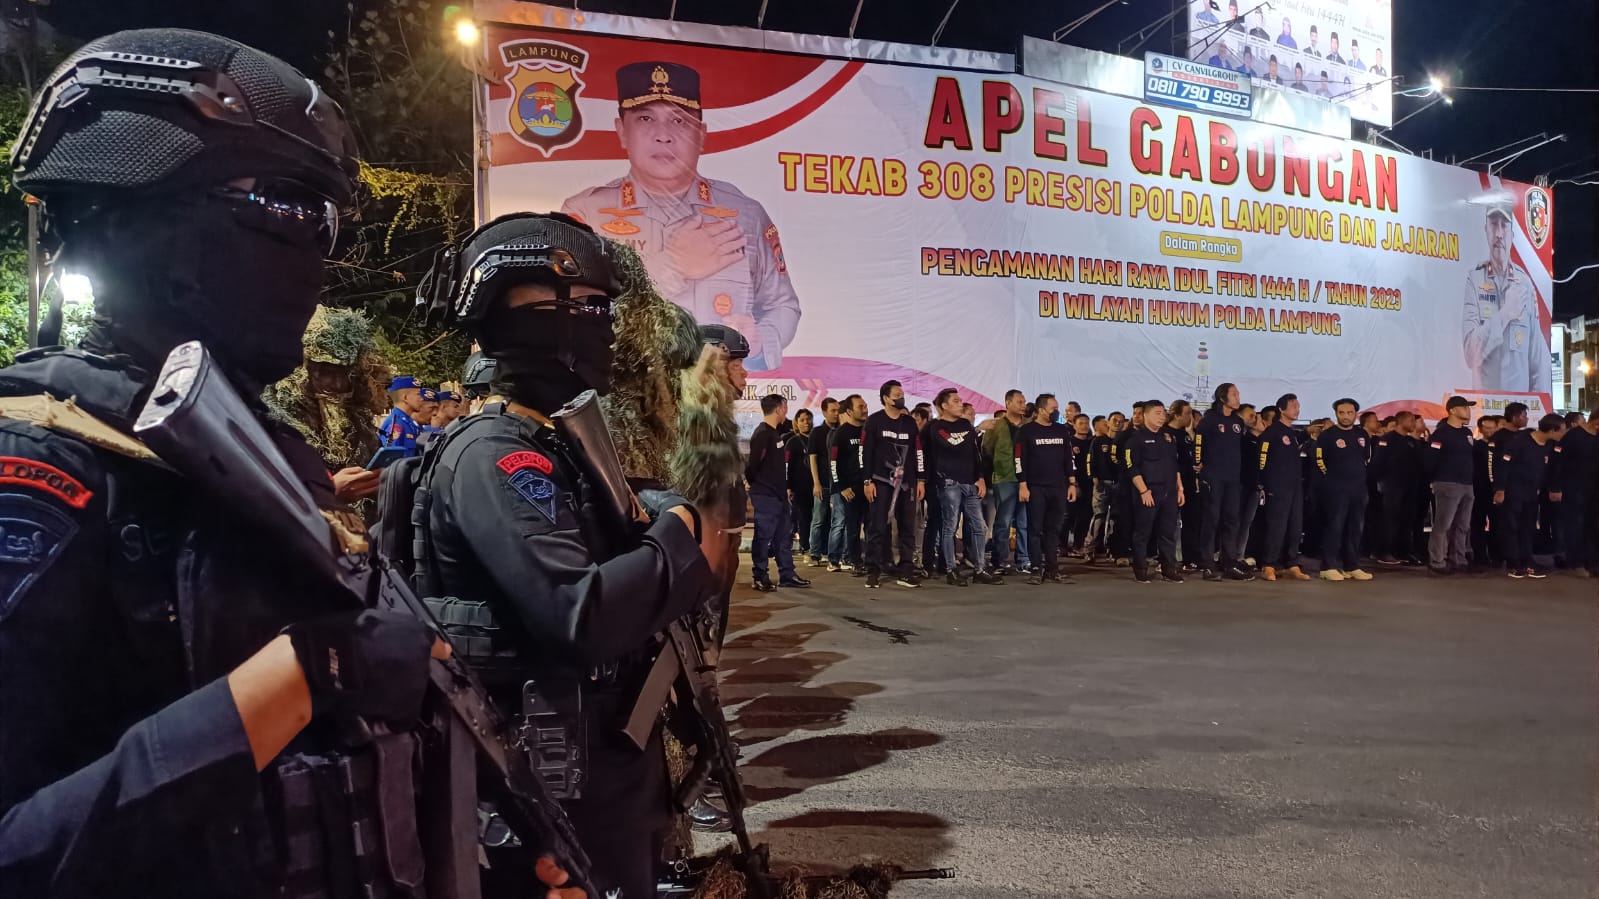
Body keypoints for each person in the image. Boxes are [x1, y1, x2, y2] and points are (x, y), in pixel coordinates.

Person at [0, 29, 517, 899]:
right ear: (136, 210)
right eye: (281, 203)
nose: (315, 248)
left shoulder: (255, 453)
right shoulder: (41, 460)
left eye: (326, 219)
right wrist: (312, 672)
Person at [414, 211, 715, 899]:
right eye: (587, 306)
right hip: (546, 782)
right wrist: (680, 530)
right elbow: (583, 614)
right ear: (516, 308)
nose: (602, 324)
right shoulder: (496, 453)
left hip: (587, 764)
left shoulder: (549, 442)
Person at [561, 62, 801, 371]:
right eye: (646, 118)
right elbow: (569, 314)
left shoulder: (747, 214)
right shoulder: (585, 214)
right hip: (626, 397)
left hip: (711, 401)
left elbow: (783, 305)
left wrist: (760, 339)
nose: (663, 136)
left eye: (679, 120)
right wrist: (671, 267)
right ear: (621, 130)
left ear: (701, 134)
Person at [1463, 204, 1549, 394]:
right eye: (1494, 224)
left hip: (1519, 411)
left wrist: (1538, 414)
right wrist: (1505, 314)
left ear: (1512, 234)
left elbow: (1538, 362)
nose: (1499, 233)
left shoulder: (1525, 284)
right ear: (1486, 229)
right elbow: (1470, 354)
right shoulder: (1474, 280)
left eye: (1504, 225)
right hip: (1486, 411)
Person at [927, 388, 1002, 586]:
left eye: (960, 400)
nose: (961, 403)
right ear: (944, 406)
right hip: (949, 483)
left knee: (979, 526)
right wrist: (976, 429)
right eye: (956, 401)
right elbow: (952, 444)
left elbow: (974, 453)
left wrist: (980, 477)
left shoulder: (965, 425)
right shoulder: (935, 427)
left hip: (970, 483)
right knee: (950, 526)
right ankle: (951, 569)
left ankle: (980, 568)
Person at [862, 380, 925, 588]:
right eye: (896, 394)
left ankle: (906, 569)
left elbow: (918, 452)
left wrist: (921, 479)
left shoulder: (909, 423)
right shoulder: (874, 422)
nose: (901, 397)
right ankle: (873, 569)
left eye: (902, 394)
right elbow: (865, 453)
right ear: (886, 399)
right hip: (880, 482)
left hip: (907, 484)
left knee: (908, 527)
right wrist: (867, 481)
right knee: (878, 527)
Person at [1492, 414, 1566, 578]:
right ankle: (1513, 563)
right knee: (1511, 527)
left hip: (1533, 493)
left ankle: (1527, 561)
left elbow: (1552, 469)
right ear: (1552, 430)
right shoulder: (1519, 442)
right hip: (1513, 491)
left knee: (1528, 527)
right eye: (1561, 431)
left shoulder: (1550, 445)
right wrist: (1500, 489)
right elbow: (1503, 465)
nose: (1563, 434)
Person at [1016, 393, 1079, 585]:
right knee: (1035, 529)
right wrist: (1023, 484)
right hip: (1035, 488)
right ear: (1041, 410)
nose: (1056, 412)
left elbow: (1068, 458)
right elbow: (1019, 459)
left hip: (1058, 487)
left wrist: (1072, 483)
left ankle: (1053, 569)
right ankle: (1036, 568)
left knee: (1053, 529)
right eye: (1053, 408)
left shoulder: (1061, 431)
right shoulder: (1026, 431)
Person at [748, 394, 808, 591]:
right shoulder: (762, 434)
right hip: (765, 495)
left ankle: (787, 574)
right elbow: (753, 465)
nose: (787, 411)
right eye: (785, 407)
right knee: (764, 536)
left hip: (780, 495)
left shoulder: (775, 433)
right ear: (779, 409)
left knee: (784, 536)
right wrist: (757, 486)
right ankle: (760, 575)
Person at [1195, 383, 1252, 579]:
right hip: (1213, 477)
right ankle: (1208, 564)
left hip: (1233, 479)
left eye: (1238, 394)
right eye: (1234, 394)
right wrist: (1197, 463)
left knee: (1231, 521)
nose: (1238, 398)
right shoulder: (1209, 420)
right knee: (1211, 520)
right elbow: (1199, 443)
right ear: (1222, 398)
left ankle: (1229, 562)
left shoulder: (1238, 422)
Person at [1126, 399, 1185, 583]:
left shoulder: (1168, 437)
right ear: (1145, 415)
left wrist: (1180, 488)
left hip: (1169, 492)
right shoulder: (1135, 439)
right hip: (1148, 492)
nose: (1162, 417)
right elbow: (1132, 468)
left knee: (1168, 532)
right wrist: (1144, 491)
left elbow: (1174, 465)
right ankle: (1140, 568)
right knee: (1143, 533)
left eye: (1163, 413)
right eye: (1157, 413)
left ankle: (1169, 569)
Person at [1314, 398, 1373, 581]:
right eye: (1341, 413)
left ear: (1356, 414)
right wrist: (1331, 480)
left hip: (1358, 488)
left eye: (1349, 413)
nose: (1346, 416)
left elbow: (1367, 459)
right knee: (1335, 526)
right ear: (1336, 414)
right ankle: (1328, 566)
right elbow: (1319, 461)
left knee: (1355, 527)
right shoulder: (1328, 435)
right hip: (1336, 488)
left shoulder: (1362, 434)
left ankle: (1351, 565)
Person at [1256, 395, 1310, 580]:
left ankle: (1291, 563)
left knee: (1295, 526)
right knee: (1276, 527)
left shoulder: (1292, 433)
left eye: (1298, 405)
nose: (1297, 409)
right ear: (1282, 409)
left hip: (1295, 486)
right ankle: (1269, 564)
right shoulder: (1272, 433)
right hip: (1277, 487)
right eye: (1293, 406)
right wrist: (1264, 483)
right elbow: (1261, 461)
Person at [1425, 396, 1479, 574]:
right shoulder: (1441, 433)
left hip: (1467, 484)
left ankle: (1458, 558)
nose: (1468, 411)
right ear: (1453, 410)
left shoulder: (1467, 433)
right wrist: (1434, 480)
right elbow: (1431, 460)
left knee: (1463, 525)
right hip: (1447, 483)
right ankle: (1437, 561)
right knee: (1443, 524)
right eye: (1464, 407)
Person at [982, 389, 1029, 574]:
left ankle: (1023, 559)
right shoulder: (996, 426)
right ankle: (999, 560)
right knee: (1004, 521)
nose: (1023, 404)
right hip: (1004, 478)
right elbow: (987, 451)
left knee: (1024, 522)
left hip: (1026, 479)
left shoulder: (1029, 425)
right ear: (1008, 403)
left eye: (1024, 401)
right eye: (1019, 401)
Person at [1371, 411, 1426, 565]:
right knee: (1390, 519)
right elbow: (1377, 463)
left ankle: (1403, 552)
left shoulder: (1411, 441)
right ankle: (1383, 551)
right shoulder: (1388, 439)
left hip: (1410, 487)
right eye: (1410, 420)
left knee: (1407, 519)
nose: (1413, 424)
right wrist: (1379, 482)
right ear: (1400, 421)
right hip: (1392, 486)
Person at [1550, 410, 1596, 574]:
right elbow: (1557, 462)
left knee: (1592, 525)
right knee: (1575, 525)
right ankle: (1576, 563)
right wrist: (1555, 487)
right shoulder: (1573, 436)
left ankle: (1592, 563)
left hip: (1593, 490)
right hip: (1573, 488)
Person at [828, 394, 868, 573]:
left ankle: (874, 560)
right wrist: (841, 487)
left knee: (873, 526)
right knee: (852, 527)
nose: (865, 409)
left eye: (865, 405)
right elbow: (834, 464)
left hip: (869, 486)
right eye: (860, 406)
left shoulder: (869, 430)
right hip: (850, 489)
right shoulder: (841, 434)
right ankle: (855, 561)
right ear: (850, 411)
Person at [1165, 399, 1202, 570]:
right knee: (1169, 523)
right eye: (1187, 414)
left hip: (1189, 484)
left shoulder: (1186, 434)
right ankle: (1166, 558)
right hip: (1170, 484)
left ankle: (1190, 558)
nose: (1190, 417)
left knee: (1192, 521)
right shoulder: (1165, 433)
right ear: (1177, 414)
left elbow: (1193, 455)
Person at [1084, 411, 1123, 562]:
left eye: (1120, 420)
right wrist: (1092, 476)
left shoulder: (1124, 441)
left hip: (1118, 484)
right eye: (1115, 420)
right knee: (1098, 516)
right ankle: (1089, 548)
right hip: (1102, 483)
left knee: (1115, 519)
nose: (1117, 423)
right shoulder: (1098, 441)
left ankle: (1111, 548)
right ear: (1108, 422)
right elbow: (1089, 460)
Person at [807, 397, 839, 567]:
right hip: (823, 483)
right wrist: (816, 482)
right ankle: (814, 553)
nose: (836, 414)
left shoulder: (841, 431)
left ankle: (831, 552)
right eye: (832, 410)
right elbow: (812, 458)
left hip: (837, 484)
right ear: (824, 412)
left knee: (836, 521)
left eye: (837, 410)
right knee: (818, 519)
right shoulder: (817, 432)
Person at [1470, 414, 1503, 567]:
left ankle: (1497, 557)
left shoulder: (1502, 446)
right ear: (1480, 429)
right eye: (1486, 428)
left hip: (1497, 490)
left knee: (1498, 524)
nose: (1489, 431)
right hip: (1479, 490)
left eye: (1492, 428)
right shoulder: (1475, 447)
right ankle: (1480, 557)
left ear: (1497, 427)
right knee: (1478, 524)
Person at [786, 406, 816, 563]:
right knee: (804, 517)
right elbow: (787, 466)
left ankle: (818, 547)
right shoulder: (792, 442)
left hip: (816, 486)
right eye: (802, 420)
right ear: (796, 423)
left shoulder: (816, 438)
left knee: (817, 518)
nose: (806, 423)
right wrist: (788, 487)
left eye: (808, 419)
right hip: (800, 487)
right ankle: (805, 547)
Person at [1066, 414, 1095, 555]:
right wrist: (1073, 483)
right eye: (1081, 423)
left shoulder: (1092, 442)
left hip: (1089, 484)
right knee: (1068, 515)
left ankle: (1079, 545)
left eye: (1086, 423)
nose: (1084, 426)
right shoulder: (1069, 442)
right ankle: (1062, 546)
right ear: (1074, 425)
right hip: (1073, 484)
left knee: (1085, 516)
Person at [380, 374, 427, 454]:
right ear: (405, 398)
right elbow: (390, 459)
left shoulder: (410, 423)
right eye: (418, 394)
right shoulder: (396, 424)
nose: (421, 398)